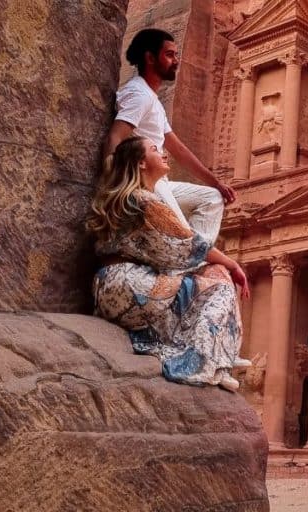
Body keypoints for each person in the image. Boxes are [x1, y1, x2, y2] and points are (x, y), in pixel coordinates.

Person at [87, 136, 250, 391]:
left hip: (109, 289)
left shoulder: (129, 198)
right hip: (133, 288)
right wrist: (232, 265)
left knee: (200, 282)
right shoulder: (146, 201)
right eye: (155, 150)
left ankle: (214, 356)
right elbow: (190, 245)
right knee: (219, 283)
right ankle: (203, 361)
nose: (163, 154)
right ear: (141, 163)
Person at [103, 28, 236, 245]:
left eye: (176, 54)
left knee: (212, 199)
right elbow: (114, 138)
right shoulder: (139, 95)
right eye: (169, 55)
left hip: (161, 182)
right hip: (145, 182)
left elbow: (178, 149)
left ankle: (192, 254)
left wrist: (217, 184)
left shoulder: (152, 99)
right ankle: (189, 256)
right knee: (180, 230)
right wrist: (113, 189)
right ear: (150, 58)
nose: (176, 60)